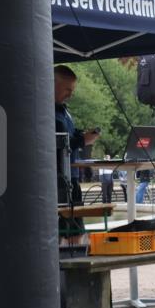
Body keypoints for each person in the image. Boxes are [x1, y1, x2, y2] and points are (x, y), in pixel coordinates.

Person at [54, 65, 100, 204]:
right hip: (58, 180)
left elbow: (68, 135)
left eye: (72, 91)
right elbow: (55, 145)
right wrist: (82, 140)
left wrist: (82, 134)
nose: (70, 95)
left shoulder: (63, 111)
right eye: (67, 90)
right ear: (52, 83)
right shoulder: (45, 112)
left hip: (72, 176)